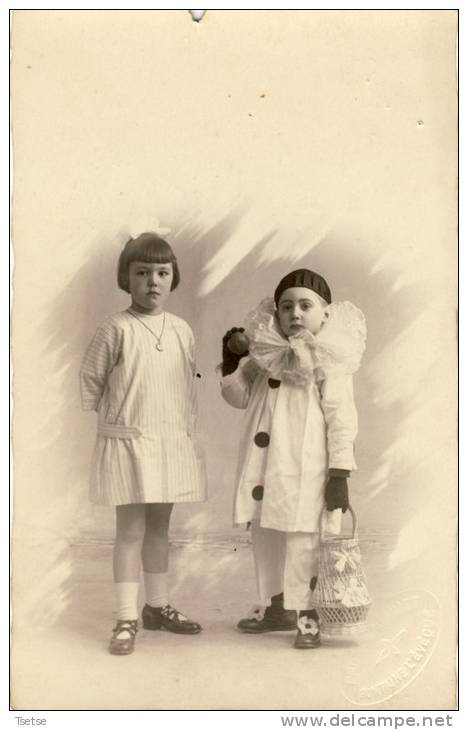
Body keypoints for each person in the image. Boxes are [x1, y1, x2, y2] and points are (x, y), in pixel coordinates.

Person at [219, 269, 366, 649]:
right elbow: (236, 398)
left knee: (304, 535)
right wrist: (232, 359)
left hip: (307, 466)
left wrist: (339, 472)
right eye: (287, 306)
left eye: (306, 305)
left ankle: (307, 612)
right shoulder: (264, 351)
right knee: (266, 533)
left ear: (324, 314)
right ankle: (276, 605)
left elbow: (341, 418)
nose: (295, 314)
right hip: (265, 464)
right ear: (276, 312)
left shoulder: (329, 360)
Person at [80, 232, 207, 655]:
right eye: (142, 273)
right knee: (130, 529)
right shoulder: (115, 328)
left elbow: (184, 385)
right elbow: (92, 379)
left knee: (159, 527)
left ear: (173, 279)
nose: (153, 281)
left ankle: (156, 606)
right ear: (126, 278)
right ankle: (125, 616)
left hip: (168, 442)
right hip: (130, 443)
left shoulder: (182, 330)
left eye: (162, 273)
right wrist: (115, 421)